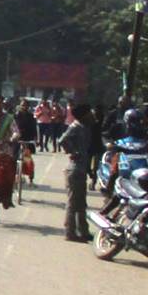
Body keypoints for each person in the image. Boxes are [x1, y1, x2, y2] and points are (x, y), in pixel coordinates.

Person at [61, 103, 93, 241]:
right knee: (73, 202)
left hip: (81, 169)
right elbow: (62, 140)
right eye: (90, 113)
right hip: (74, 169)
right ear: (84, 115)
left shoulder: (84, 128)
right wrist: (73, 151)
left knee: (81, 202)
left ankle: (83, 231)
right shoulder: (75, 127)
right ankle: (70, 232)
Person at [13, 99, 38, 187]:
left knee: (28, 161)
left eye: (26, 105)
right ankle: (13, 179)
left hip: (27, 141)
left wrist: (36, 139)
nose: (24, 107)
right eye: (22, 105)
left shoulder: (31, 117)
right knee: (12, 160)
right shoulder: (15, 116)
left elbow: (34, 129)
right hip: (16, 141)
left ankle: (31, 180)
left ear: (28, 107)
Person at [86, 103, 107, 190]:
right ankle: (91, 175)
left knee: (96, 167)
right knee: (87, 166)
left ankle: (93, 182)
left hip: (98, 145)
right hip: (90, 145)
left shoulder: (102, 120)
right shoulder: (90, 120)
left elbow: (104, 128)